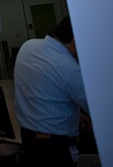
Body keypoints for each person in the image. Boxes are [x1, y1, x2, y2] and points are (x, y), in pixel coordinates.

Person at [14, 15, 91, 167]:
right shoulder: (70, 69)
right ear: (75, 41)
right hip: (55, 148)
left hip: (28, 137)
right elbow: (98, 111)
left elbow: (42, 92)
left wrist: (75, 114)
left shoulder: (28, 46)